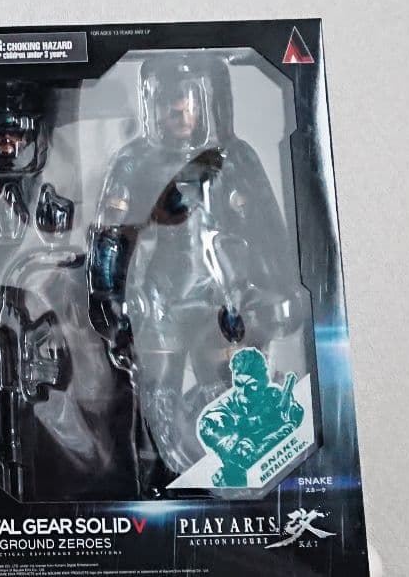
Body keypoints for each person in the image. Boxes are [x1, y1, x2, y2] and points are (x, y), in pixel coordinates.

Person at [86, 53, 300, 492]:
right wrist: (108, 299)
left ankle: (233, 486)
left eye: (187, 101)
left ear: (205, 102)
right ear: (153, 105)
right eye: (168, 102)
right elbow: (110, 239)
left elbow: (267, 230)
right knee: (155, 407)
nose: (178, 112)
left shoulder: (235, 159)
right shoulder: (133, 164)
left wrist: (280, 290)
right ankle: (157, 490)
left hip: (219, 302)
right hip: (157, 304)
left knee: (231, 395)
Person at [199, 348, 304, 487]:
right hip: (240, 490)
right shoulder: (213, 421)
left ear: (264, 381)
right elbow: (248, 459)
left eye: (252, 385)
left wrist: (290, 413)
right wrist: (290, 426)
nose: (244, 392)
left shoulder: (274, 396)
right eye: (238, 383)